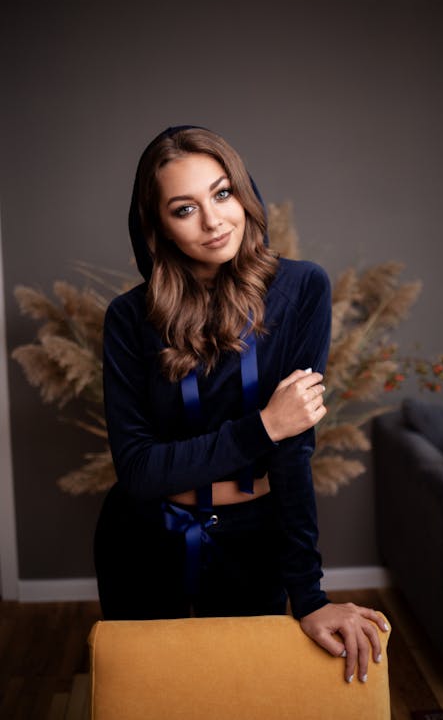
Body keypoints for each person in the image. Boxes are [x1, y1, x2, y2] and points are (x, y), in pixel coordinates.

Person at [94, 125, 388, 683]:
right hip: (142, 540)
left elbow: (293, 449)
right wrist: (264, 427)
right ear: (157, 225)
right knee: (149, 698)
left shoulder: (302, 290)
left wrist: (310, 595)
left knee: (241, 694)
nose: (213, 221)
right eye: (184, 208)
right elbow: (137, 471)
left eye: (222, 193)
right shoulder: (130, 318)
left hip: (256, 539)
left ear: (244, 194)